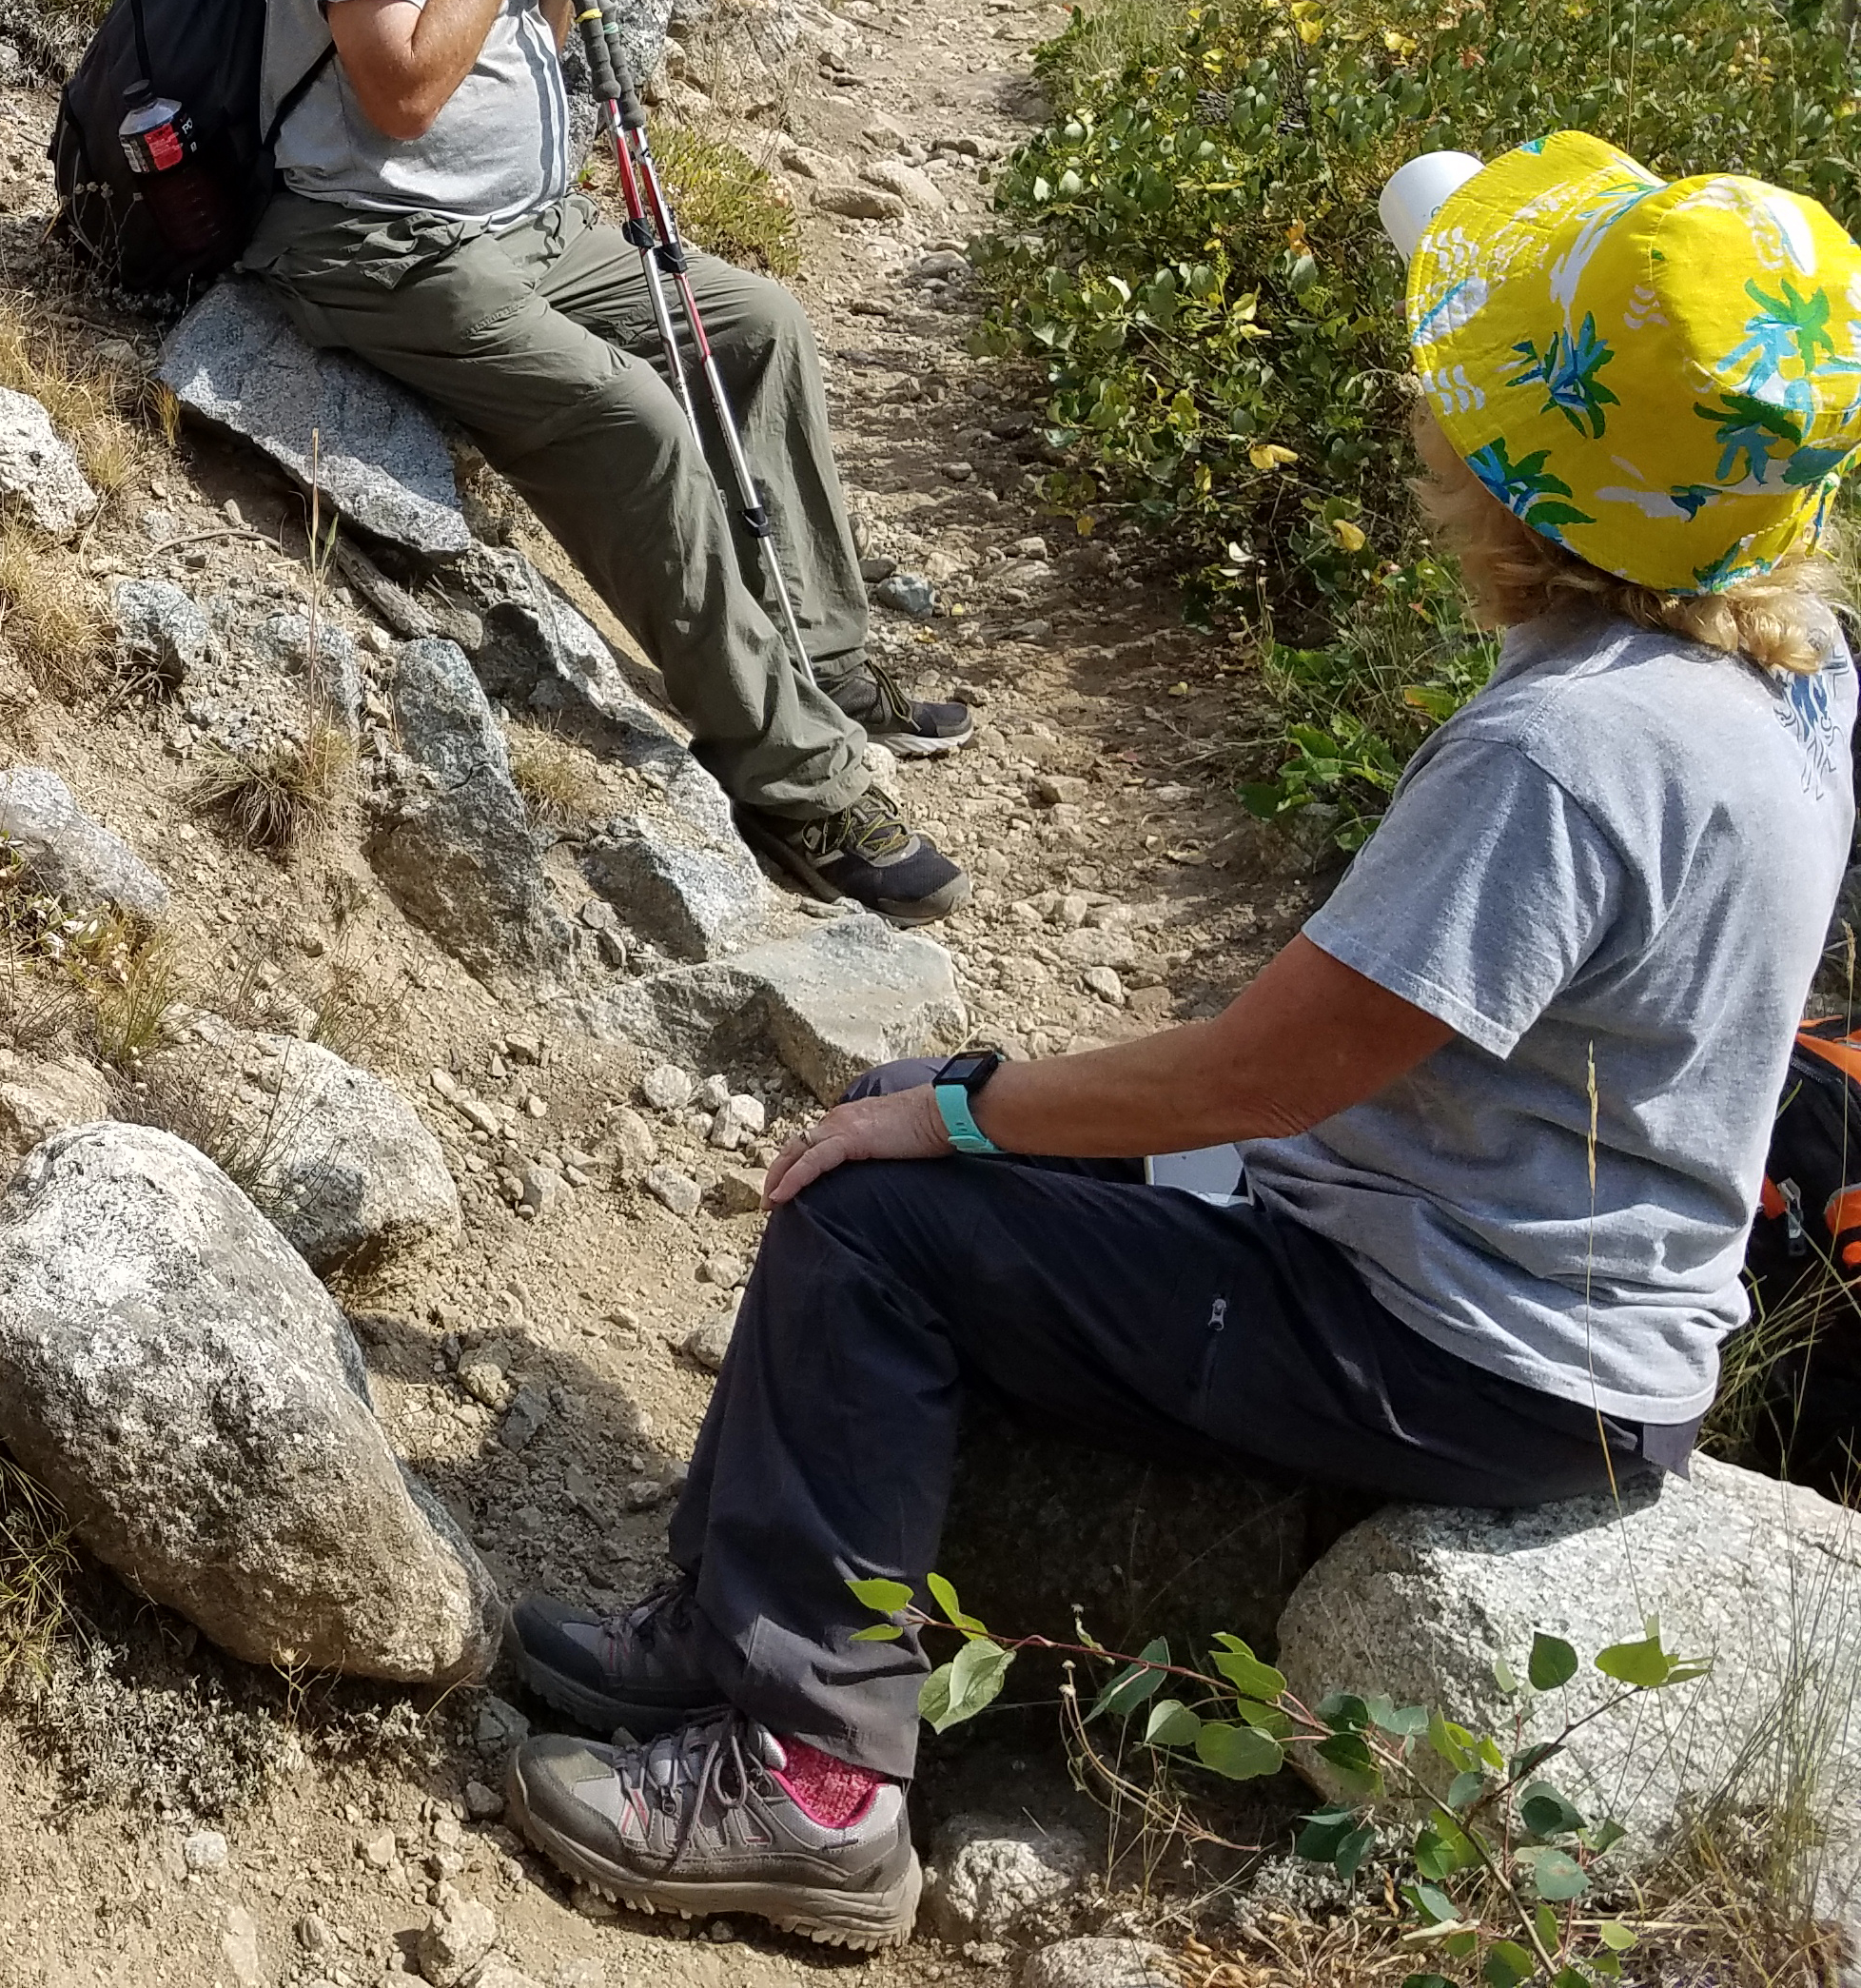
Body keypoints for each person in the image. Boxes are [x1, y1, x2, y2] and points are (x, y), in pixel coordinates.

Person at [491, 130, 1861, 1945]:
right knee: (941, 1131)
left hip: (1461, 1341)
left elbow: (1267, 1071)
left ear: (1510, 474)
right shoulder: (1785, 661)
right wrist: (992, 1109)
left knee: (872, 1221)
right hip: (1568, 1295)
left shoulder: (1567, 754)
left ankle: (812, 1779)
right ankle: (736, 1617)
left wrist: (969, 1119)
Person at [248, 0, 973, 922]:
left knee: (757, 323)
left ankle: (823, 651)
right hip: (375, 237)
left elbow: (540, 25)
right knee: (636, 426)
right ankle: (798, 781)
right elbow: (394, 91)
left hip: (526, 220)